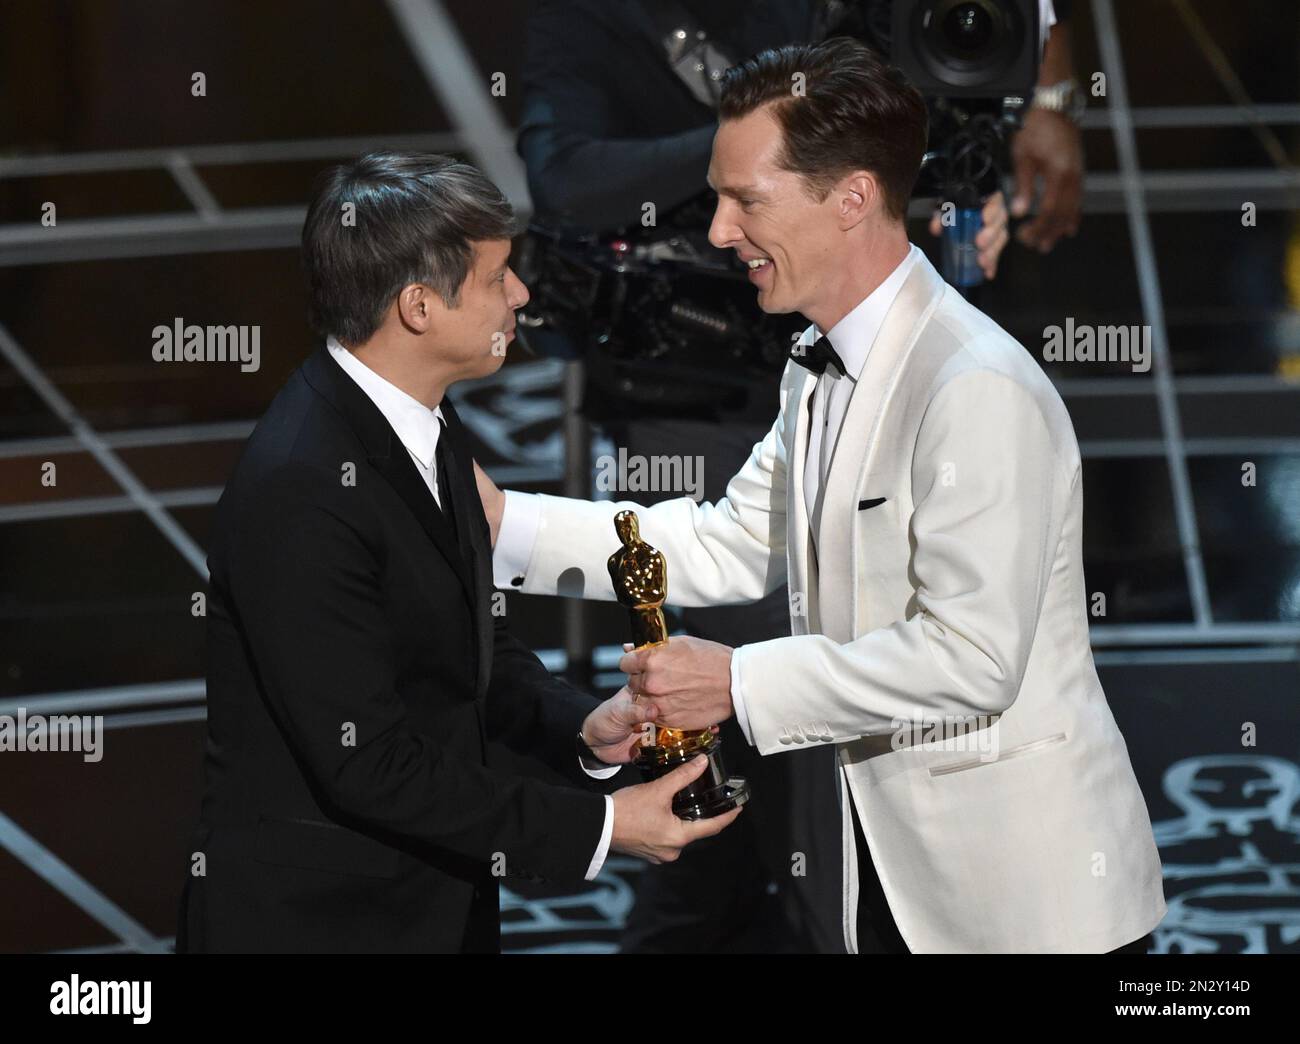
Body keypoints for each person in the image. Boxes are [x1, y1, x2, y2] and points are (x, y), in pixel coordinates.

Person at [478, 40, 1166, 953]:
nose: (719, 231)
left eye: (745, 200)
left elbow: (972, 657)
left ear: (851, 198)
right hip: (885, 889)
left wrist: (735, 682)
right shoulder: (817, 366)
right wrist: (503, 525)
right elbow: (727, 542)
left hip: (1025, 912)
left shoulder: (973, 385)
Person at [176, 151, 740, 954]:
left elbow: (466, 640)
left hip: (428, 908)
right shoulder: (302, 485)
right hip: (321, 929)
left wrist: (584, 729)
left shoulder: (419, 424)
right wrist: (603, 826)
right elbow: (367, 763)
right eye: (498, 275)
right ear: (418, 308)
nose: (522, 295)